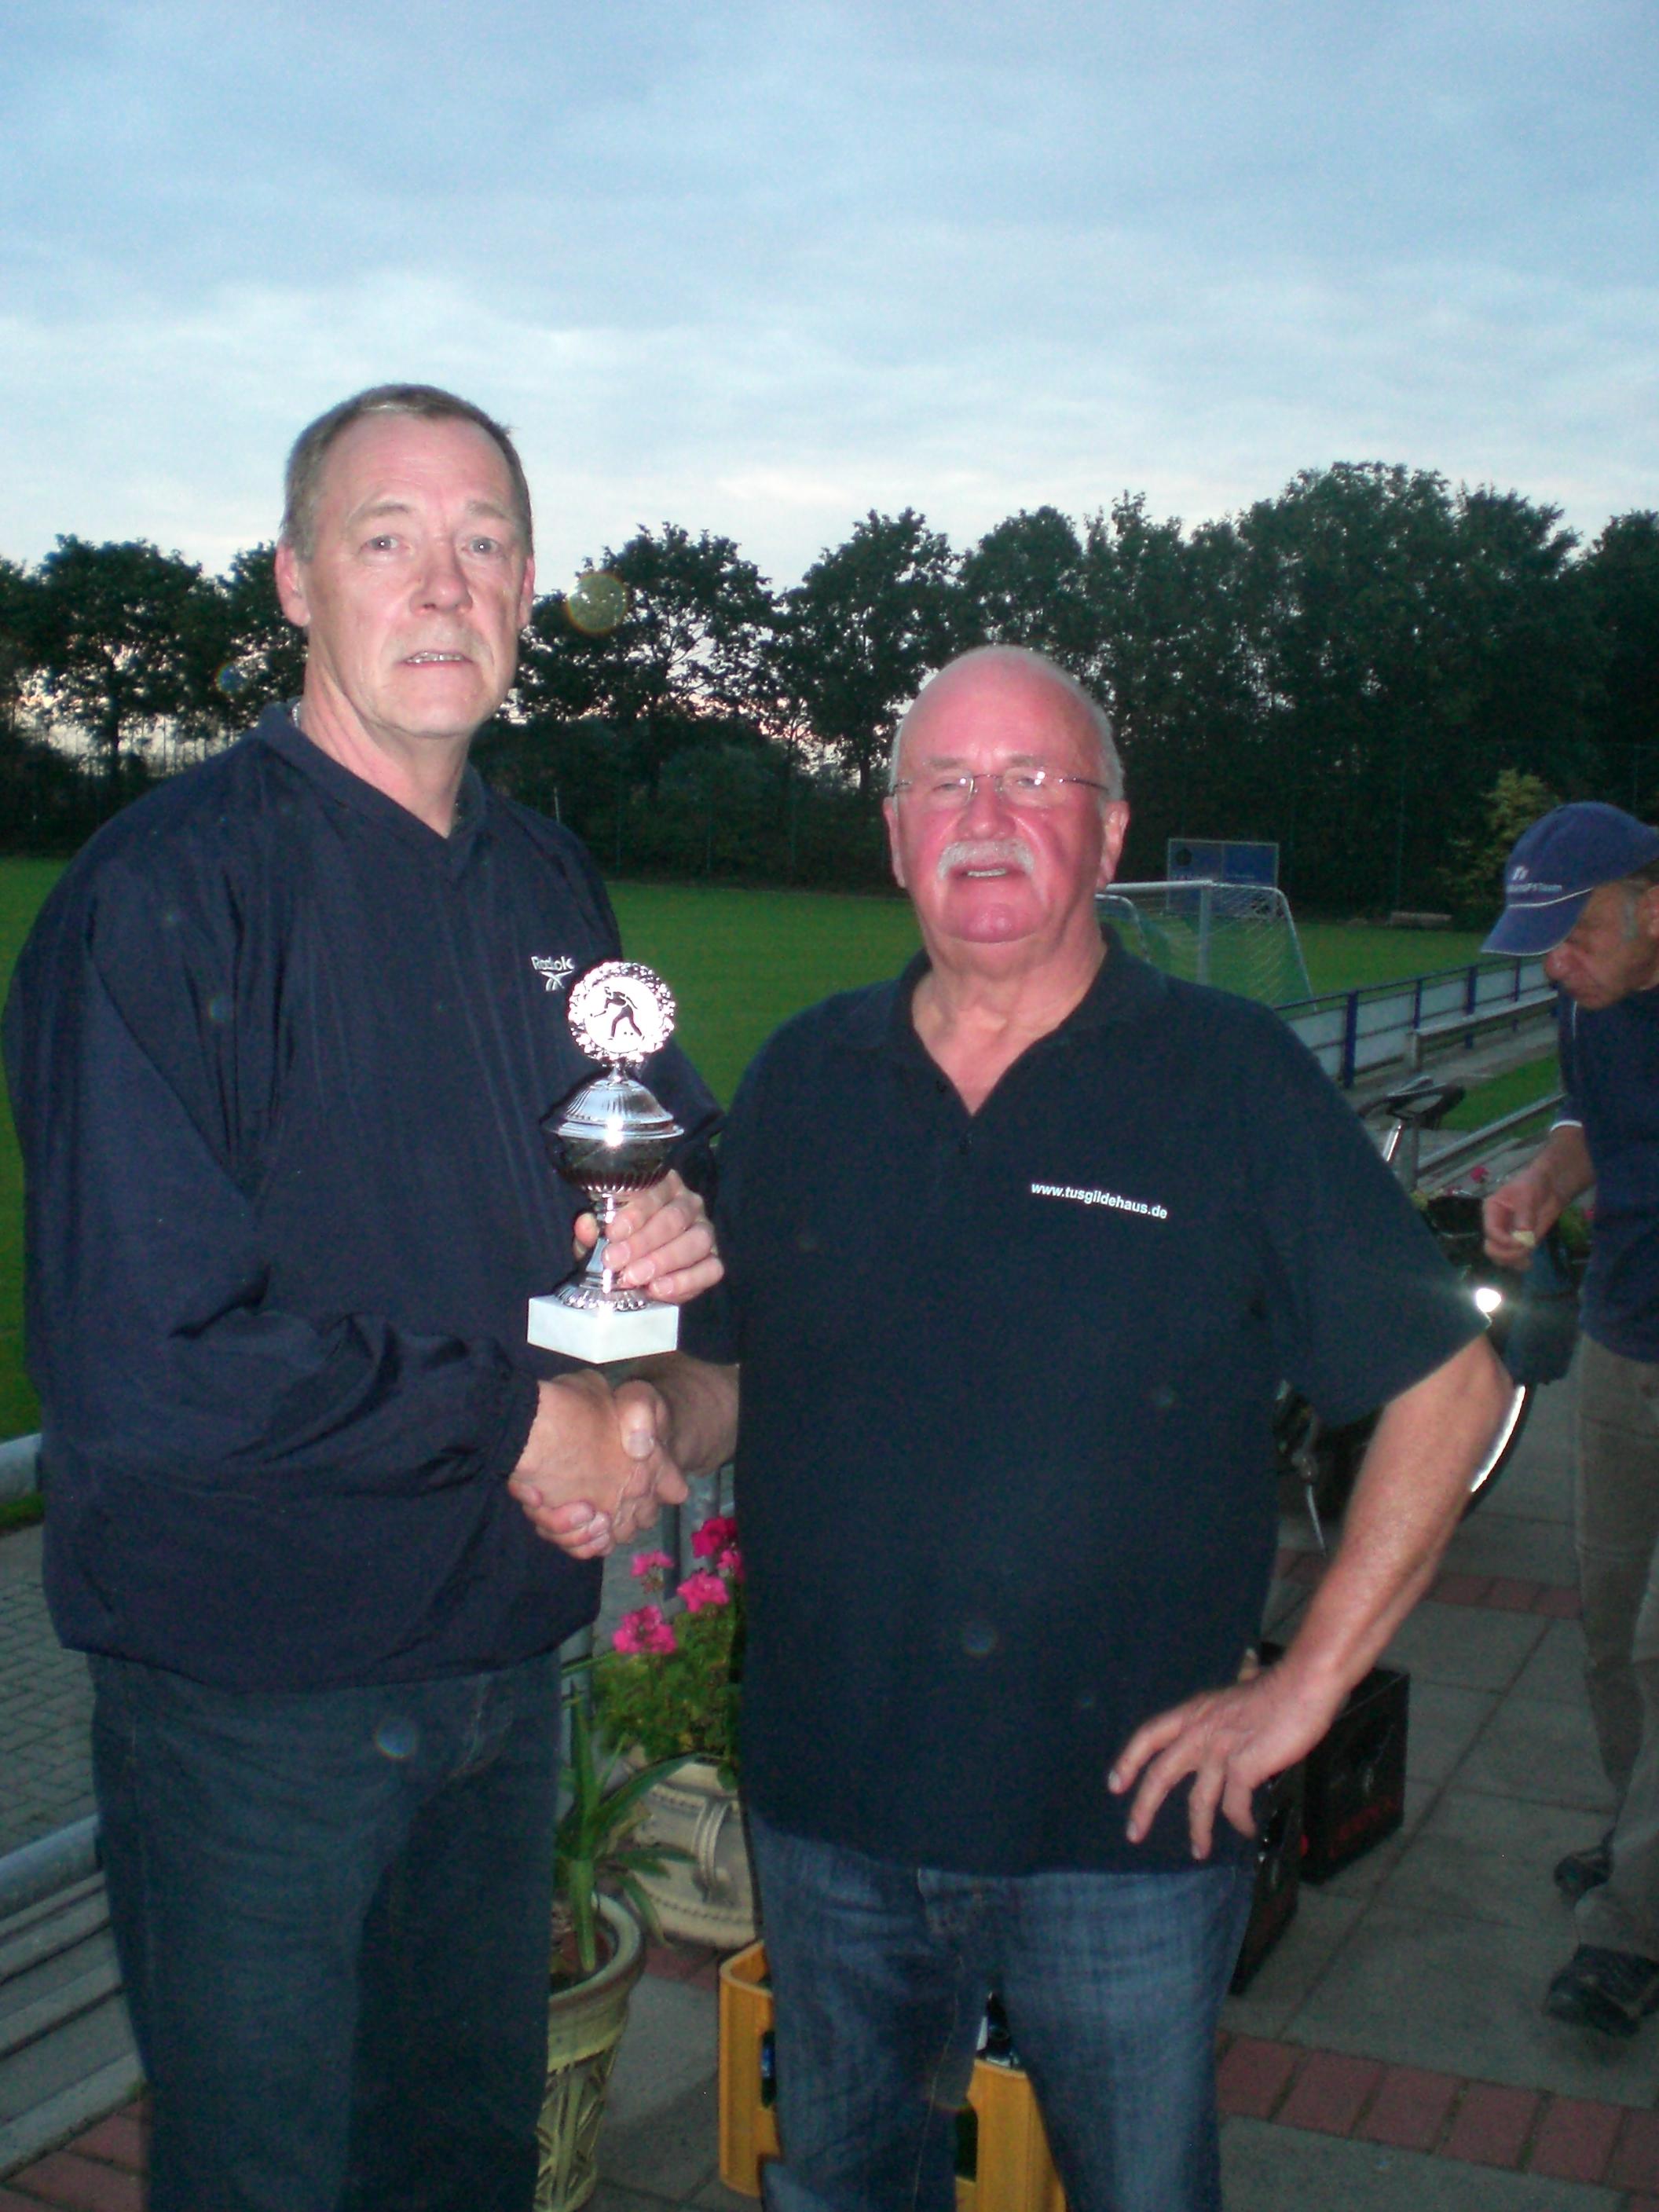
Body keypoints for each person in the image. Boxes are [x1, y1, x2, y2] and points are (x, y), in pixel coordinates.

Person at [530, 645, 1512, 2212]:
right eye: (946, 783)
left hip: (1122, 1829)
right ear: (896, 833)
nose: (985, 817)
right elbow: (730, 1380)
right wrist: (642, 1416)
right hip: (831, 1808)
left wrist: (1309, 1685)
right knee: (844, 2192)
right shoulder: (803, 1079)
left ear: (1109, 832)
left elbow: (1449, 1384)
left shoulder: (1230, 1079)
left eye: (1033, 780)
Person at [2, 384, 721, 2212]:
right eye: (387, 537)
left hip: (501, 1674)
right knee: (266, 2178)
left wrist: (660, 1271)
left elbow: (651, 1163)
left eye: (484, 542)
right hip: (259, 1706)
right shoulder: (167, 895)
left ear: (530, 587)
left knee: (459, 2162)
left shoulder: (547, 878)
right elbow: (146, 1366)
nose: (443, 583)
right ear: (297, 580)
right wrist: (520, 1420)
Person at [1481, 800, 1659, 2038]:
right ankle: (1640, 1831)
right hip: (1623, 1338)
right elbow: (1591, 1117)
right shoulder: (1590, 1002)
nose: (1556, 963)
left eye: (1576, 933)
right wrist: (1545, 1177)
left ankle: (1634, 1927)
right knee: (1607, 1620)